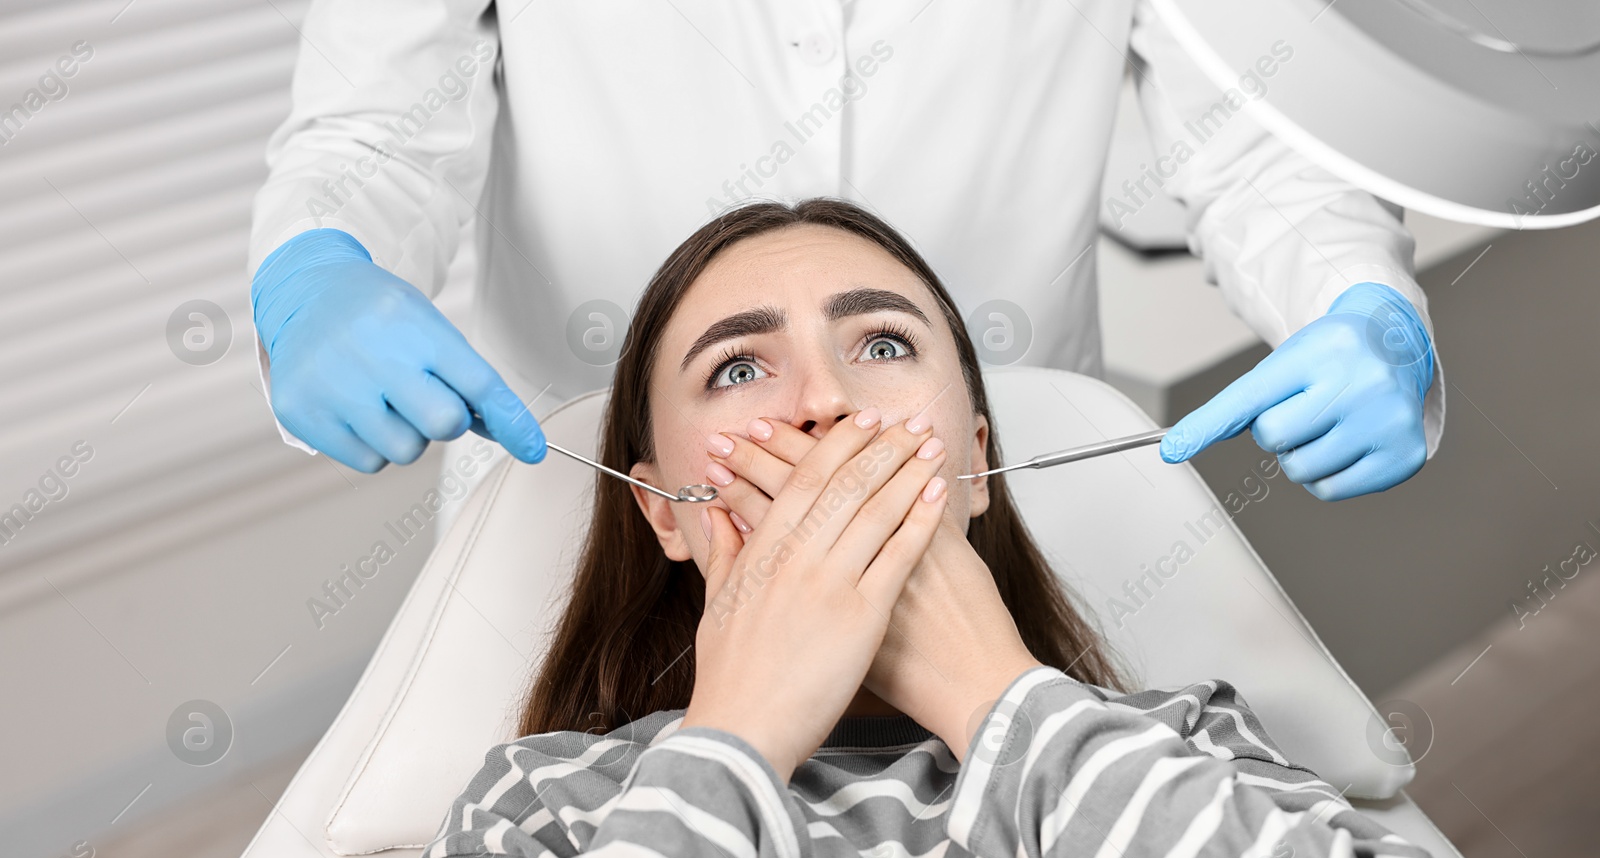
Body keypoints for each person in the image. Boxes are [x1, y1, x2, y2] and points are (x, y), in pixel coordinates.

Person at [348, 199, 1482, 858]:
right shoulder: (553, 801)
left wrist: (995, 690)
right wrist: (737, 735)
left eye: (882, 344)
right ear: (662, 511)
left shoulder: (1177, 753)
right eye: (739, 366)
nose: (824, 402)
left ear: (975, 460)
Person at [248, 1, 1443, 511]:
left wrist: (1358, 301)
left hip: (1005, 479)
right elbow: (374, 133)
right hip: (583, 477)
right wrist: (322, 270)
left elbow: (1258, 142)